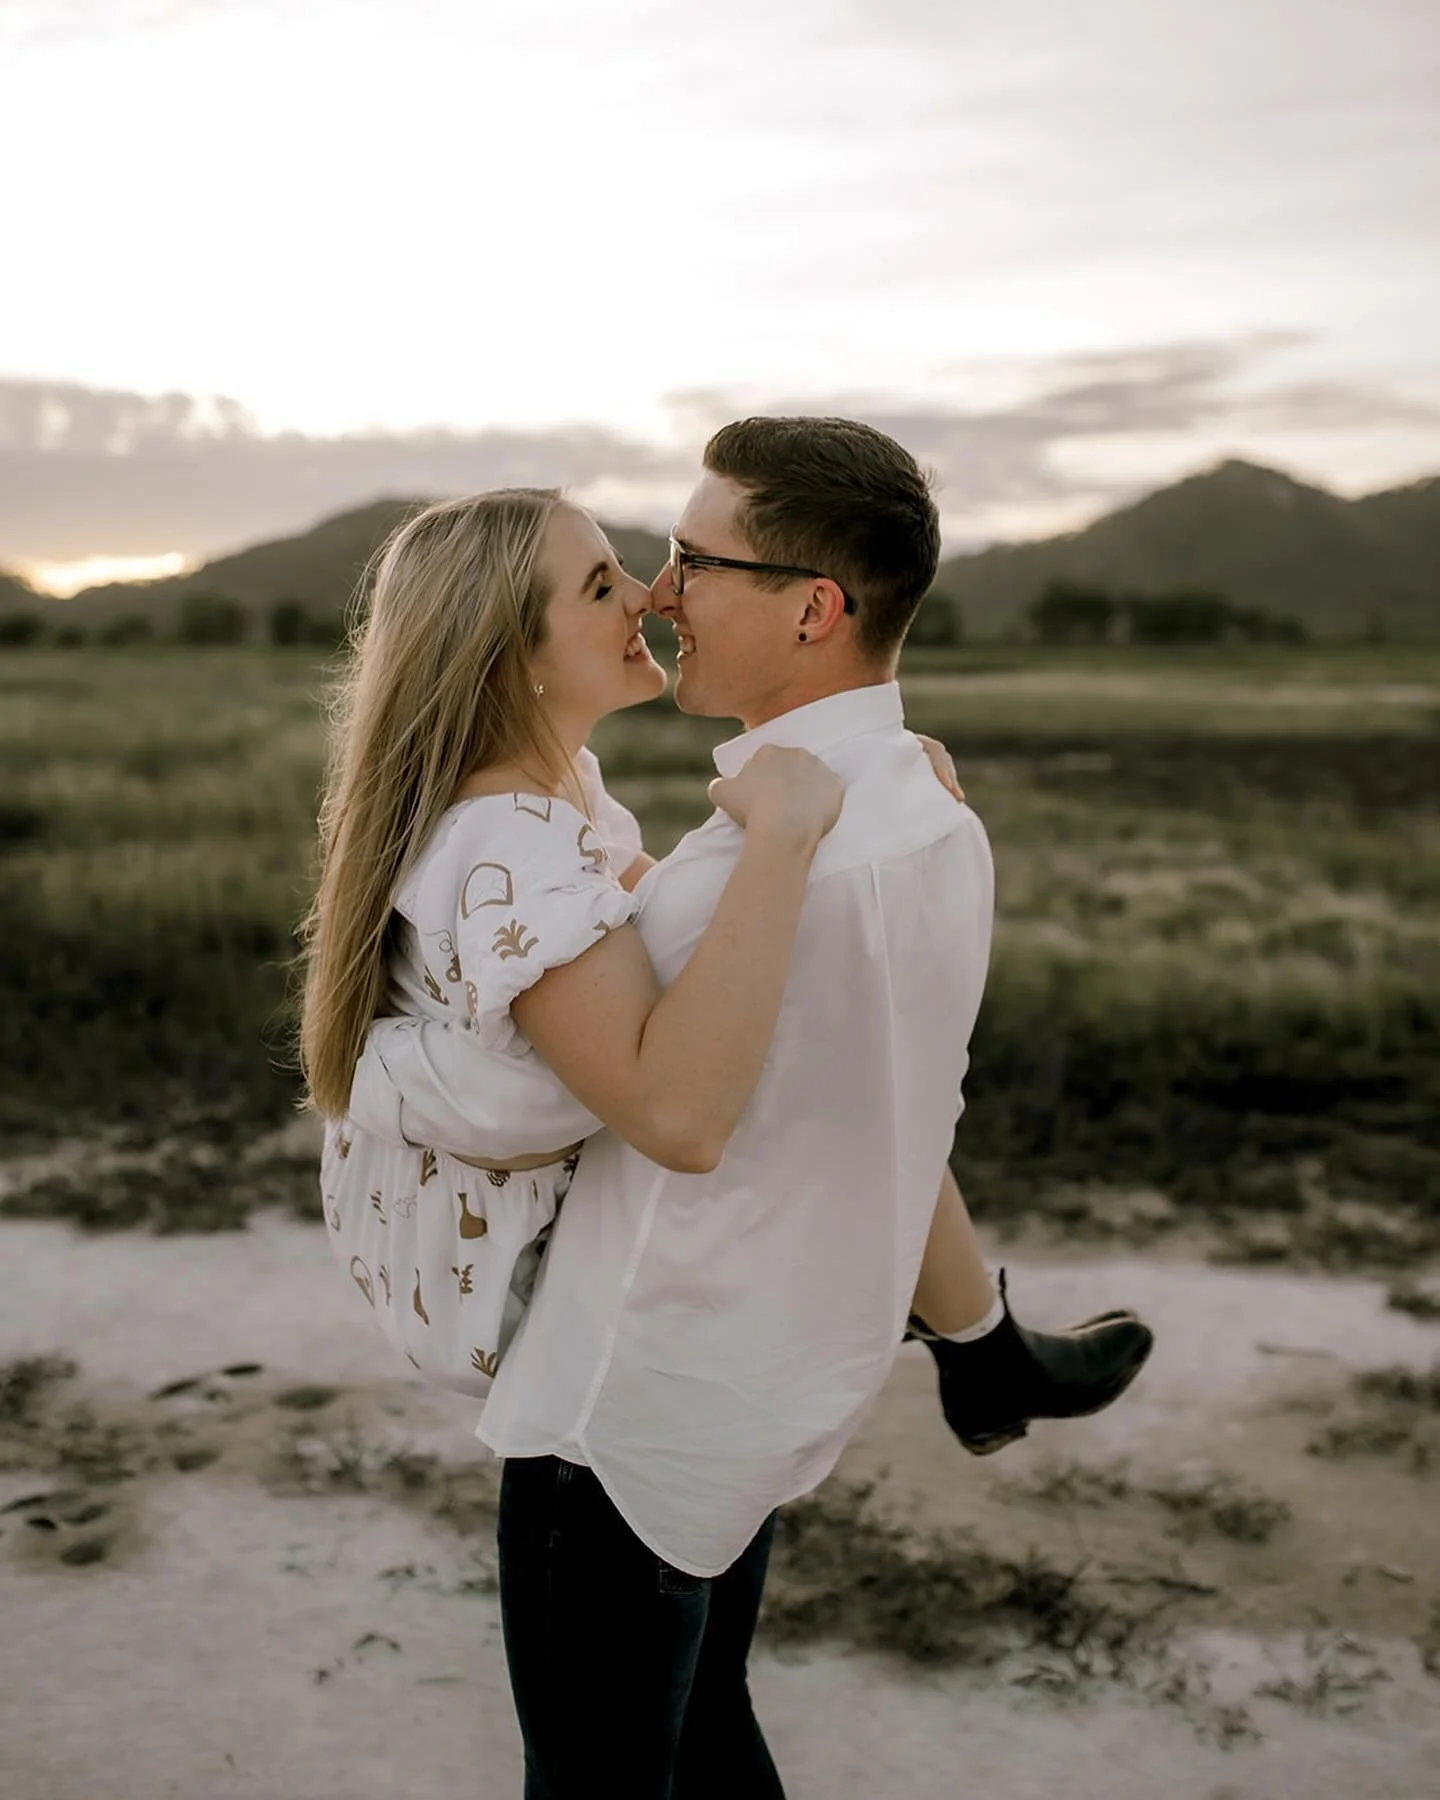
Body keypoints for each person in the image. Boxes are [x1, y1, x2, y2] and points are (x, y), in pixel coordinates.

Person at [314, 427, 1152, 1796]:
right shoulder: (929, 821)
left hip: (622, 1426)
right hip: (735, 1389)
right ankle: (990, 1358)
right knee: (702, 1744)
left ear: (813, 608)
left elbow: (695, 1106)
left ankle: (990, 1355)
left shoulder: (748, 859)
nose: (655, 589)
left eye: (692, 560)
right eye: (615, 578)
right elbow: (852, 1103)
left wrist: (772, 835)